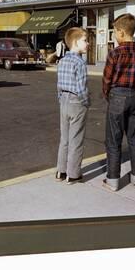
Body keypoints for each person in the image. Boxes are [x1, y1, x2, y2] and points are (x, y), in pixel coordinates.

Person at [102, 13, 135, 192]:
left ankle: (113, 179)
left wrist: (109, 95)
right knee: (134, 139)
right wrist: (134, 93)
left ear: (121, 32)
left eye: (114, 32)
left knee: (114, 140)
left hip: (117, 97)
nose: (114, 35)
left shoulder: (114, 53)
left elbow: (107, 80)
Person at [55, 27, 90, 184]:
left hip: (64, 101)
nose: (88, 43)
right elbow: (82, 87)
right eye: (85, 40)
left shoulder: (62, 61)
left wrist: (61, 98)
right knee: (76, 139)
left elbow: (59, 84)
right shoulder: (80, 62)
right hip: (77, 102)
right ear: (75, 42)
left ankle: (61, 171)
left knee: (65, 138)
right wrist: (86, 102)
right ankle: (73, 174)